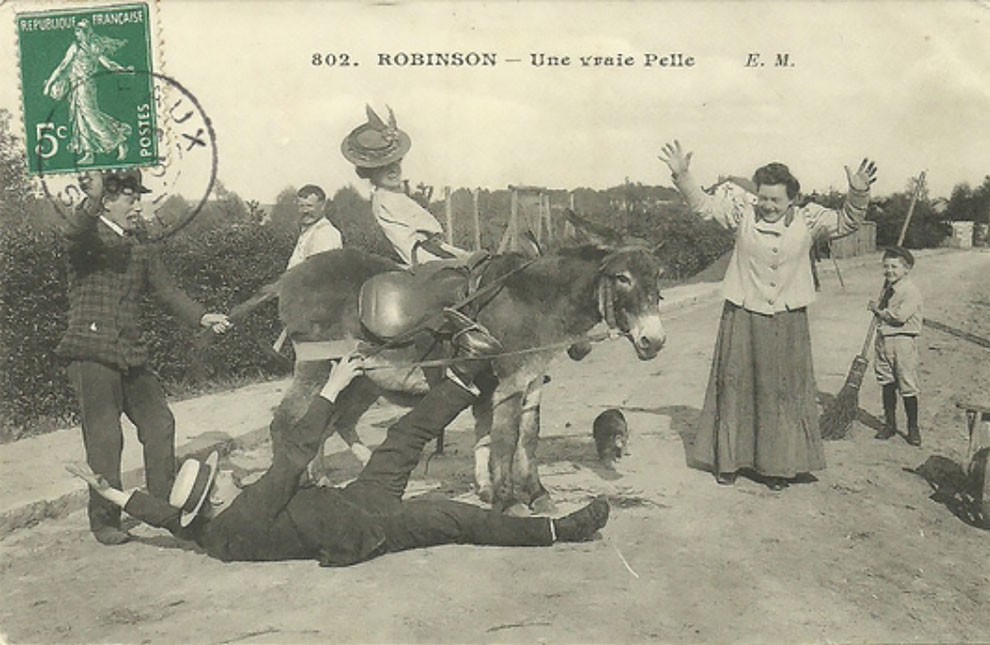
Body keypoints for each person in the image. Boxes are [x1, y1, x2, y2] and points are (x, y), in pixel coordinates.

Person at [67, 319, 610, 565]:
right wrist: (331, 386)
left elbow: (165, 516)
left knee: (401, 436)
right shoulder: (250, 508)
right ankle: (559, 531)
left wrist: (111, 493)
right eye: (222, 477)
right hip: (365, 528)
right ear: (216, 498)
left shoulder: (205, 530)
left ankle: (471, 376)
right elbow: (298, 449)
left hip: (353, 500)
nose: (230, 473)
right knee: (453, 518)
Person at [658, 140, 877, 490]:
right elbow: (703, 207)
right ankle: (728, 461)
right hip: (742, 314)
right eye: (763, 198)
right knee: (735, 388)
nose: (768, 206)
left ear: (792, 198)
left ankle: (776, 466)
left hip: (786, 320)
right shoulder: (742, 212)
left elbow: (848, 222)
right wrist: (682, 175)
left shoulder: (810, 218)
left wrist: (858, 193)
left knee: (780, 391)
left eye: (776, 200)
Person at [56, 168, 233, 544]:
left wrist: (201, 316)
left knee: (160, 424)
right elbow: (76, 230)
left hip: (131, 355)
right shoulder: (87, 240)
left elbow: (166, 291)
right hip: (91, 354)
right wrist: (91, 198)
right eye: (131, 198)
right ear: (108, 202)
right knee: (105, 441)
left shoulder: (141, 244)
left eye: (140, 197)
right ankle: (105, 521)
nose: (139, 205)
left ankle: (164, 505)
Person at [340, 105, 469, 267]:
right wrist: (451, 266)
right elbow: (410, 250)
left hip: (435, 253)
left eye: (395, 162)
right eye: (383, 167)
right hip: (423, 263)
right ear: (370, 173)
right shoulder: (384, 201)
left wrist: (463, 256)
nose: (393, 170)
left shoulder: (396, 196)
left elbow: (434, 244)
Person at [43, 19, 134, 165]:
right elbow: (62, 66)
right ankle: (88, 153)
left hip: (87, 86)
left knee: (91, 116)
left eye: (79, 31)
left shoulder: (93, 46)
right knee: (80, 119)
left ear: (86, 32)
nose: (77, 34)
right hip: (75, 86)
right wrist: (50, 83)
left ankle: (118, 142)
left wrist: (123, 70)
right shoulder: (75, 47)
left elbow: (108, 63)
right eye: (76, 31)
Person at [868, 246, 924, 446]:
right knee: (887, 382)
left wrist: (878, 310)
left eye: (894, 266)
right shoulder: (888, 290)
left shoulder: (911, 291)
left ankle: (913, 428)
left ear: (906, 269)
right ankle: (890, 424)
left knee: (907, 385)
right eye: (886, 266)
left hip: (902, 341)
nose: (889, 271)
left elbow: (900, 317)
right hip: (883, 340)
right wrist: (879, 307)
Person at [285, 184, 342, 270]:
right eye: (301, 206)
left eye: (309, 206)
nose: (305, 211)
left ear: (323, 206)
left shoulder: (325, 234)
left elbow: (318, 274)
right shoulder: (309, 231)